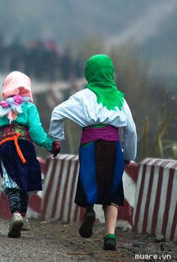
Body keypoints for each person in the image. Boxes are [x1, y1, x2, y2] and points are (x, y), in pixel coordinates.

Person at [48, 54, 137, 251]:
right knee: (113, 191)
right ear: (110, 74)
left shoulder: (82, 97)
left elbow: (57, 113)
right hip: (113, 147)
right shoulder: (120, 99)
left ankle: (89, 211)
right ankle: (110, 234)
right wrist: (129, 155)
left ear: (89, 73)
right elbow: (130, 130)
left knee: (88, 181)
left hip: (89, 145)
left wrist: (57, 138)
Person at [0, 71, 60, 238]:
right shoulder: (29, 107)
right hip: (26, 146)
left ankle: (16, 214)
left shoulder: (2, 108)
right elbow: (35, 131)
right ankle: (24, 217)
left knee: (11, 179)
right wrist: (50, 144)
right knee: (24, 180)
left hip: (6, 146)